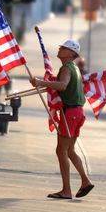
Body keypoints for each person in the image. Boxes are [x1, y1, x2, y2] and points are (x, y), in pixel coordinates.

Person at [30, 39, 94, 200]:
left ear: (72, 53)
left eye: (64, 48)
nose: (60, 49)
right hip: (78, 113)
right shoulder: (74, 68)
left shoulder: (67, 68)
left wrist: (40, 82)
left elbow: (63, 85)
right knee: (70, 151)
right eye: (61, 47)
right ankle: (85, 181)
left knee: (61, 151)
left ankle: (67, 190)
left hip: (71, 113)